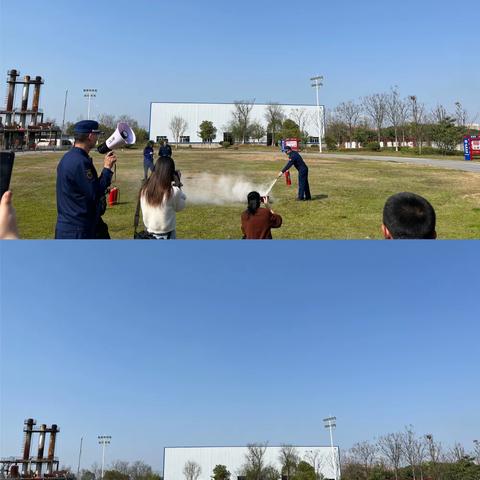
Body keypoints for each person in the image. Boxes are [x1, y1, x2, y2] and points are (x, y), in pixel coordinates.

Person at [55, 120, 117, 239]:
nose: (97, 138)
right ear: (90, 136)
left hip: (67, 226)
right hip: (78, 230)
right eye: (96, 135)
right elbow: (95, 193)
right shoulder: (81, 162)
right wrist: (107, 169)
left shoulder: (67, 157)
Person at [140, 156, 186, 239]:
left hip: (148, 234)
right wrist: (178, 185)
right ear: (170, 173)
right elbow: (181, 206)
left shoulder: (144, 189)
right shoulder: (173, 191)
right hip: (167, 235)